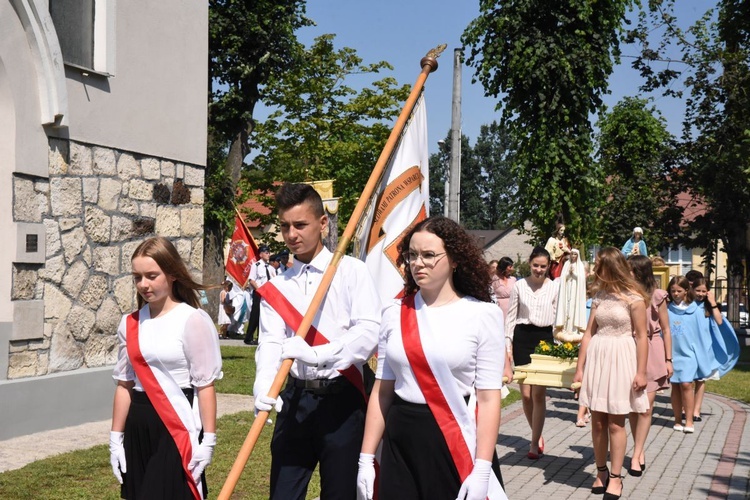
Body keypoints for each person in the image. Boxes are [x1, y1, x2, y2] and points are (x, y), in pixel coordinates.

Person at [357, 216, 507, 500]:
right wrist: (366, 457)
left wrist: (483, 468)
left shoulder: (482, 316)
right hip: (400, 438)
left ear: (454, 260)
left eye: (429, 255)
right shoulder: (394, 313)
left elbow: (489, 399)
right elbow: (382, 391)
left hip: (454, 439)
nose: (418, 263)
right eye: (412, 255)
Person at [253, 183, 381, 500]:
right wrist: (264, 384)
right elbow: (270, 343)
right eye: (284, 226)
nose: (291, 234)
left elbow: (368, 332)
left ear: (322, 223)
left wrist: (318, 353)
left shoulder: (352, 272)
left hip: (343, 399)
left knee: (340, 494)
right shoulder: (278, 286)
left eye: (300, 225)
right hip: (295, 399)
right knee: (283, 494)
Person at [110, 236, 222, 499]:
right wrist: (116, 438)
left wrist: (209, 440)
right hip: (139, 422)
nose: (143, 284)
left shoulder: (193, 319)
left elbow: (205, 385)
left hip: (177, 423)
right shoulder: (130, 323)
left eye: (151, 275)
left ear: (172, 274)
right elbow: (125, 384)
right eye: (137, 277)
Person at [573, 247, 649, 500]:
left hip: (621, 358)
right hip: (598, 357)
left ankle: (616, 478)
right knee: (597, 421)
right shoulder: (599, 296)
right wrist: (579, 369)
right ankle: (601, 471)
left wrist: (641, 371)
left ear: (610, 266)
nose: (595, 269)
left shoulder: (635, 298)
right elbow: (588, 334)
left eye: (598, 264)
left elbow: (641, 336)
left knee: (616, 422)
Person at [505, 246, 559, 459]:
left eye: (543, 266)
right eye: (535, 265)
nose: (538, 269)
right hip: (522, 338)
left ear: (548, 267)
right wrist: (507, 347)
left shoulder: (555, 287)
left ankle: (534, 443)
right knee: (526, 395)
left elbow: (557, 318)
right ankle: (536, 433)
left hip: (544, 340)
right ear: (529, 263)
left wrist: (559, 347)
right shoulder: (519, 285)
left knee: (538, 394)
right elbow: (510, 317)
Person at [626, 255, 673, 476]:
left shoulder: (656, 295)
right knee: (633, 407)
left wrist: (668, 359)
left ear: (641, 272)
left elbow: (665, 329)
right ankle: (639, 448)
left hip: (652, 349)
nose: (628, 274)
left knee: (645, 406)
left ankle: (637, 454)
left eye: (631, 270)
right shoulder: (625, 294)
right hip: (629, 349)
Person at [243, 244, 276, 345]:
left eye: (269, 252)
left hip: (269, 294)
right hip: (259, 293)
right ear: (261, 254)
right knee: (255, 315)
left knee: (265, 316)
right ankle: (248, 337)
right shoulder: (256, 265)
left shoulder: (271, 268)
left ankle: (260, 337)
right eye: (266, 252)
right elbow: (251, 280)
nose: (268, 254)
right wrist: (260, 290)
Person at [553, 248, 587, 343]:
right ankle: (565, 328)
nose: (573, 256)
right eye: (572, 254)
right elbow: (563, 277)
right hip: (567, 290)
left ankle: (573, 329)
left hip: (575, 292)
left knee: (573, 309)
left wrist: (574, 274)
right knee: (566, 309)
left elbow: (581, 279)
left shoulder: (580, 266)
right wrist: (568, 274)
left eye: (575, 254)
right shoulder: (567, 265)